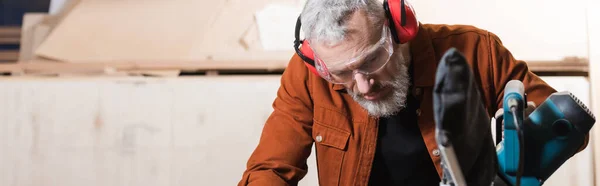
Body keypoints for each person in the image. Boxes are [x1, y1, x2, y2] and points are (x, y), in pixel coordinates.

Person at [238, 0, 590, 185]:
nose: (362, 84)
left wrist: (502, 165)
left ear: (399, 27)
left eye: (372, 59)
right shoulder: (308, 76)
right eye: (342, 73)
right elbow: (271, 168)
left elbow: (563, 124)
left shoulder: (474, 50)